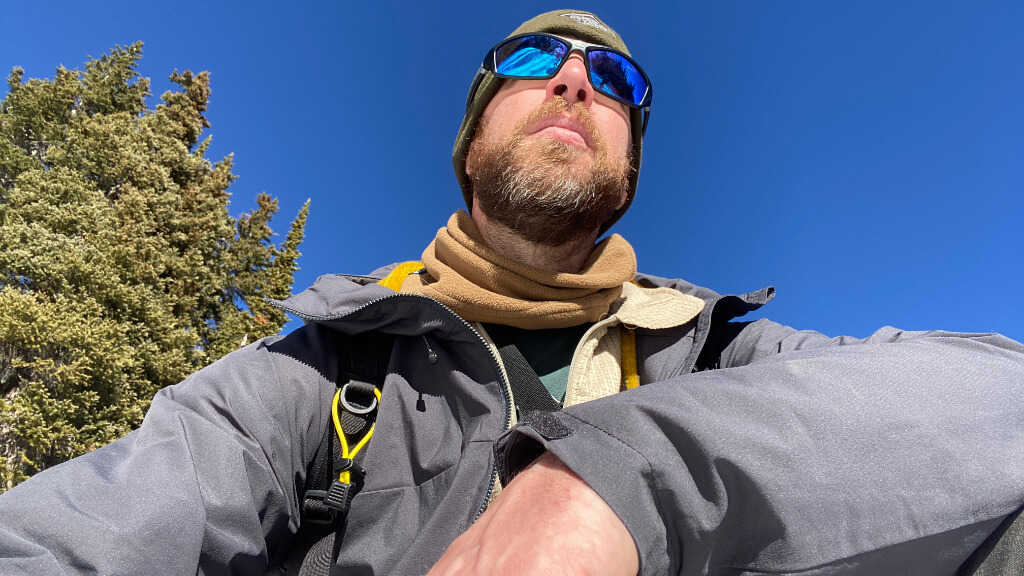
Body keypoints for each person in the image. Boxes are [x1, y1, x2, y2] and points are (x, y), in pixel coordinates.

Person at [1, 9, 1023, 576]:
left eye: (615, 83)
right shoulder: (324, 369)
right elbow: (86, 534)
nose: (576, 82)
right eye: (535, 61)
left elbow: (999, 391)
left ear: (628, 166)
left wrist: (612, 482)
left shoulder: (717, 353)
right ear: (472, 141)